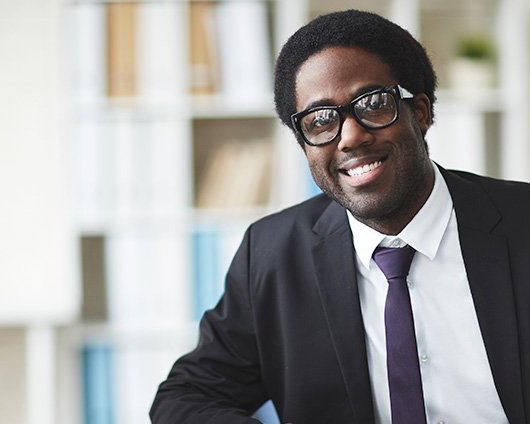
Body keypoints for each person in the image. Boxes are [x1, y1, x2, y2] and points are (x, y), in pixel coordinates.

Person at [150, 9, 530, 424]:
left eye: (372, 104)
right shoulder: (273, 253)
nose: (350, 136)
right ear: (305, 145)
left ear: (419, 112)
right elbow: (185, 396)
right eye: (321, 120)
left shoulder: (520, 222)